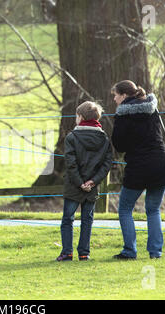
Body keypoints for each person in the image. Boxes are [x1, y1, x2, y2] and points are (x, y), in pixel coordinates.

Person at [111, 80, 165, 260]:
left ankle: (130, 251)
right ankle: (155, 252)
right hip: (160, 163)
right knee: (153, 210)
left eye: (115, 95)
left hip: (138, 166)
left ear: (124, 95)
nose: (114, 99)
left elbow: (119, 145)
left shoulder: (123, 115)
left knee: (125, 208)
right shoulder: (152, 108)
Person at [56, 101, 113, 262]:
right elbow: (107, 163)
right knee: (87, 219)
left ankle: (67, 252)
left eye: (76, 115)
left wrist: (80, 182)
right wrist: (93, 182)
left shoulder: (72, 137)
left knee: (68, 218)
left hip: (74, 185)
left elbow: (70, 163)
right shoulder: (104, 138)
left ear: (80, 117)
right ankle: (84, 253)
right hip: (92, 186)